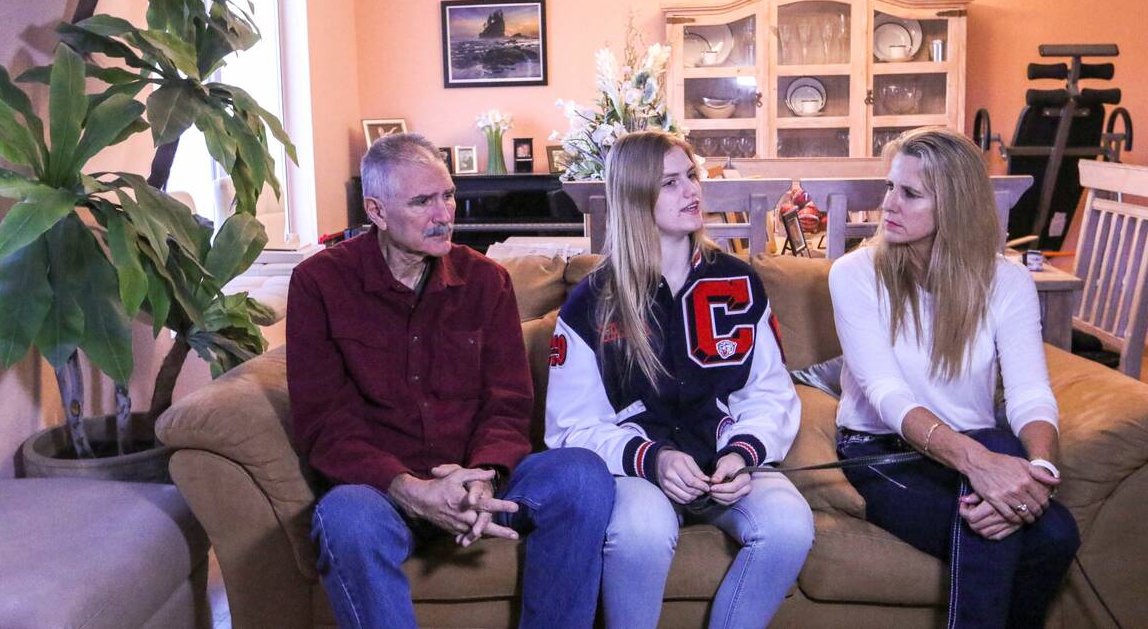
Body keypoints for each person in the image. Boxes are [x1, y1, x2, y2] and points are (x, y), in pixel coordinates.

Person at [287, 132, 614, 629]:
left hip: (482, 485)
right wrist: (409, 488)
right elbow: (324, 424)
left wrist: (483, 476)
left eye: (448, 196)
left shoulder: (486, 281)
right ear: (376, 211)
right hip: (384, 493)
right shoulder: (319, 284)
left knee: (583, 476)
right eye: (422, 202)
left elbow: (507, 404)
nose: (444, 214)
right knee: (344, 518)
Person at [544, 131, 814, 629]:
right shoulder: (592, 301)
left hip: (725, 468)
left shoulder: (737, 281)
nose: (691, 190)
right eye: (670, 182)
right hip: (639, 472)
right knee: (642, 531)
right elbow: (571, 427)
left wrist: (743, 453)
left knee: (790, 526)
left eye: (691, 176)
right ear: (634, 196)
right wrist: (654, 459)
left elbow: (770, 390)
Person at [831, 127, 1080, 629]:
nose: (888, 205)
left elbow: (1031, 392)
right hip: (882, 449)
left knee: (1058, 534)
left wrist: (1041, 473)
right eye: (889, 187)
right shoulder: (854, 273)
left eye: (910, 193)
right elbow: (886, 395)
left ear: (955, 207)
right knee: (999, 530)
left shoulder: (1006, 281)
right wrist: (983, 468)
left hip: (980, 445)